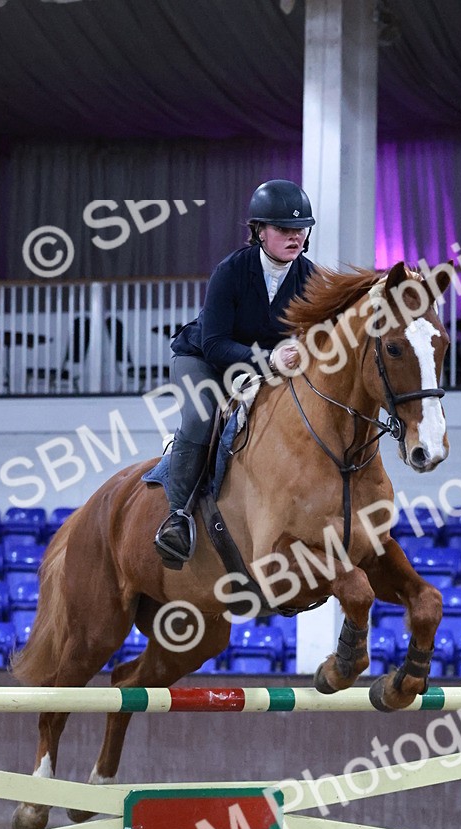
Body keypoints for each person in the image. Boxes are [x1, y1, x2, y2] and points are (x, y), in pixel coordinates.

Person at [154, 178, 316, 567]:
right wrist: (270, 361)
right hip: (202, 361)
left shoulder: (310, 279)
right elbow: (215, 344)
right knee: (203, 416)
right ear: (260, 231)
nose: (295, 237)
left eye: (301, 229)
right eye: (284, 229)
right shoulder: (230, 270)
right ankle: (177, 517)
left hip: (260, 368)